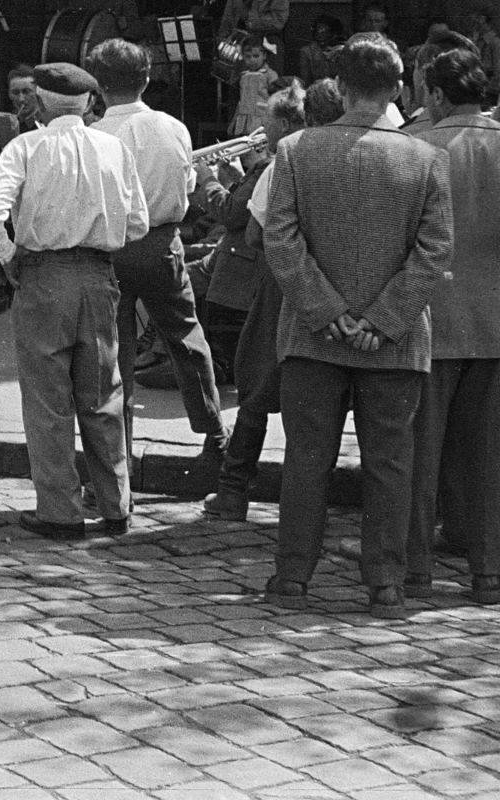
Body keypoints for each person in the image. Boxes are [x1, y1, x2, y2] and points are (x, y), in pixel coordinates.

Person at [262, 33, 452, 620]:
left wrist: (327, 311)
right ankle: (386, 584)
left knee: (306, 458)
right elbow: (435, 249)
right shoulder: (426, 157)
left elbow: (281, 240)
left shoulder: (295, 149)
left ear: (341, 87)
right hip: (393, 342)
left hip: (313, 338)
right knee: (390, 464)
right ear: (397, 90)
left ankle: (293, 576)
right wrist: (384, 318)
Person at [0, 62, 149, 539]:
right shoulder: (113, 147)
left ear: (42, 102)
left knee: (48, 399)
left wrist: (7, 253)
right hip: (98, 275)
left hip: (45, 276)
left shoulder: (26, 147)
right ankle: (116, 505)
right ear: (89, 103)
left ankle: (60, 511)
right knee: (103, 394)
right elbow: (137, 222)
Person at [89, 39, 229, 467]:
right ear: (147, 80)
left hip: (110, 249)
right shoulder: (174, 127)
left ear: (98, 86)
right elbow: (187, 187)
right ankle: (215, 434)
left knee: (114, 355)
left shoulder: (94, 136)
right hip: (161, 244)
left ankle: (119, 460)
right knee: (186, 338)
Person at [407, 48, 500, 604]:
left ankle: (415, 568)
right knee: (489, 456)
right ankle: (488, 571)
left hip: (430, 320)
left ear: (438, 94)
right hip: (494, 322)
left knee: (420, 453)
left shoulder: (419, 146)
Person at [199, 82, 315, 521]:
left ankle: (233, 490)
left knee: (255, 386)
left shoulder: (283, 162)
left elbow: (252, 232)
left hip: (278, 288)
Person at [231, 40, 280, 137]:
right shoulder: (243, 75)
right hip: (244, 120)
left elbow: (276, 98)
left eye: (256, 56)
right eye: (248, 57)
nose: (252, 60)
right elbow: (241, 100)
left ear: (264, 55)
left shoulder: (270, 74)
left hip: (262, 119)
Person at [298, 14, 343, 85]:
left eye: (324, 32)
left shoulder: (342, 51)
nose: (319, 35)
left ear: (334, 34)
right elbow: (305, 81)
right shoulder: (307, 52)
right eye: (317, 31)